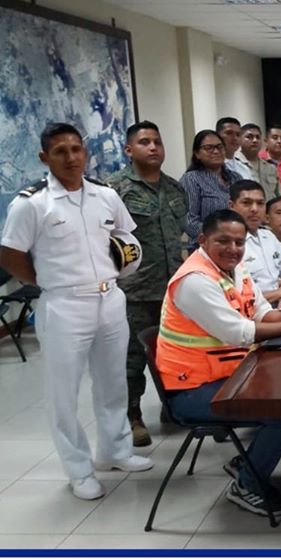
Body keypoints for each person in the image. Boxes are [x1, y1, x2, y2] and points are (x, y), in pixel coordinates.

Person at [1, 122, 152, 501]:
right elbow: (10, 254)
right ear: (44, 157)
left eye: (76, 149)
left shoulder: (105, 194)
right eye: (60, 151)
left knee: (113, 381)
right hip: (64, 304)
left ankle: (115, 451)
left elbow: (126, 236)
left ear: (85, 152)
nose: (71, 157)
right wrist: (45, 280)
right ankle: (79, 470)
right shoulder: (32, 203)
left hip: (110, 298)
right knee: (63, 393)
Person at [156, 209, 281, 517]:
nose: (233, 248)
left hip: (231, 374)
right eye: (223, 241)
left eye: (239, 242)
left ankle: (247, 462)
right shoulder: (195, 281)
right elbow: (239, 332)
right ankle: (248, 485)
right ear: (203, 240)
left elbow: (260, 311)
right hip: (193, 389)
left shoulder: (234, 267)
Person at [107, 121, 187, 447]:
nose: (153, 147)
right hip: (135, 289)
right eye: (144, 142)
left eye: (157, 141)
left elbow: (181, 235)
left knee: (174, 352)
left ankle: (174, 405)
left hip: (173, 289)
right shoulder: (113, 190)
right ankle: (132, 415)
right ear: (129, 149)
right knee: (132, 357)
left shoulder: (175, 188)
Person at [229, 179, 281, 310]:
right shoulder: (228, 245)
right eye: (247, 203)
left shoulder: (269, 237)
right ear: (231, 206)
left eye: (260, 203)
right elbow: (238, 300)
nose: (254, 209)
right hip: (251, 315)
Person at [181, 129, 241, 250]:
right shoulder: (191, 179)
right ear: (197, 154)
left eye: (219, 147)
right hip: (204, 246)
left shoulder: (236, 177)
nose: (216, 151)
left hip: (238, 244)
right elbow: (189, 221)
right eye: (208, 148)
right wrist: (220, 236)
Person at [233, 123, 281, 199]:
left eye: (258, 137)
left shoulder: (270, 167)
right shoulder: (233, 165)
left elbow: (279, 195)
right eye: (249, 137)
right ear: (240, 140)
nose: (255, 140)